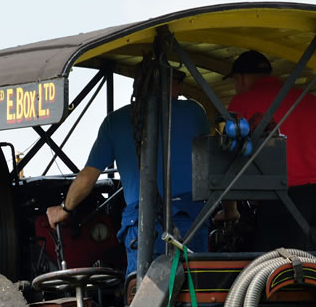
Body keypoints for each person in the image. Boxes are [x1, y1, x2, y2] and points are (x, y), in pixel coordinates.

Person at [46, 65, 209, 278]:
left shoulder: (115, 122)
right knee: (197, 287)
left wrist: (65, 209)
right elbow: (215, 164)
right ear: (169, 84)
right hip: (191, 217)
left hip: (141, 220)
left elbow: (87, 178)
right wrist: (231, 211)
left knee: (143, 289)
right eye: (177, 83)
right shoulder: (195, 112)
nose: (178, 91)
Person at [225, 50, 316, 250]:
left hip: (280, 205)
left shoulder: (240, 103)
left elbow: (227, 165)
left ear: (240, 79)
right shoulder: (311, 101)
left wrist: (230, 211)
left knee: (272, 274)